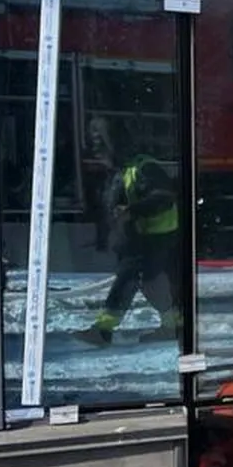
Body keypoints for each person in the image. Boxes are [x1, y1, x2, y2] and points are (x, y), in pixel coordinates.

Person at [75, 124, 181, 345]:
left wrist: (132, 211)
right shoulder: (121, 170)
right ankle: (173, 326)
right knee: (149, 284)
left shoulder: (143, 168)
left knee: (127, 281)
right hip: (141, 239)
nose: (98, 154)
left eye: (101, 148)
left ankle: (103, 330)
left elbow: (163, 197)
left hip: (153, 238)